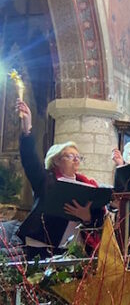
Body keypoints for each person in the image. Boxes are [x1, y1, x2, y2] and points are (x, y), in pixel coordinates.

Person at [16, 99, 105, 259]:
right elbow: (30, 161)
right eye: (70, 156)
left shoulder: (87, 185)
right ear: (56, 160)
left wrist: (87, 217)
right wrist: (27, 130)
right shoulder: (46, 179)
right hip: (42, 244)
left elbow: (98, 222)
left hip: (73, 247)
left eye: (78, 157)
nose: (76, 159)